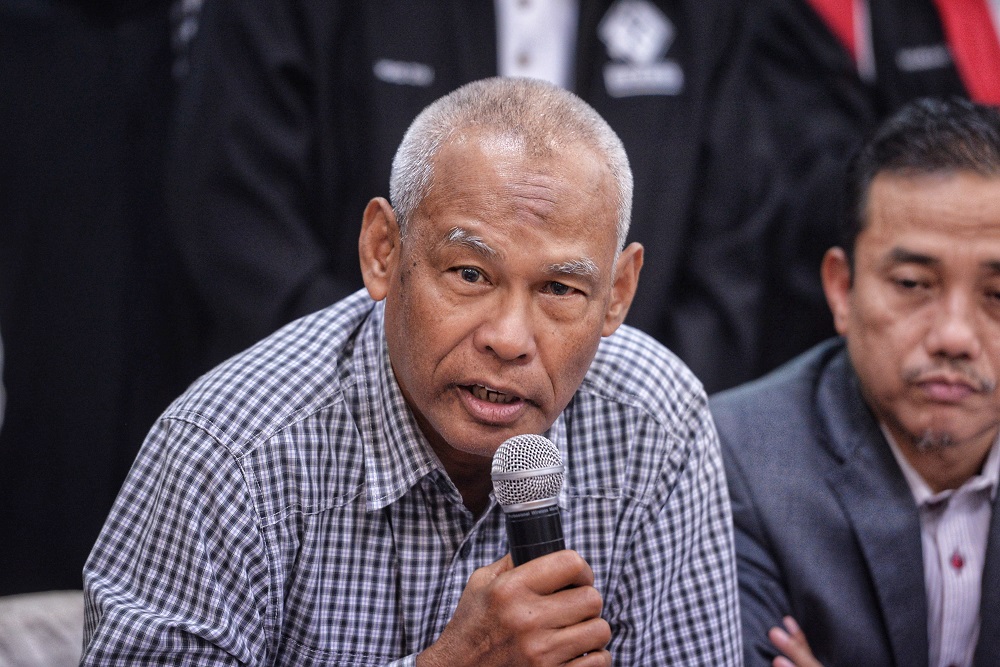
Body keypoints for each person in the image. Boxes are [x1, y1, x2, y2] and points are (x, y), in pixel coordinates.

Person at [83, 77, 742, 665]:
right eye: (469, 274)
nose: (509, 338)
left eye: (560, 290)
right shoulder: (229, 449)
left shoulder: (657, 423)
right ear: (382, 250)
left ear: (619, 294)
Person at [166, 0, 771, 395]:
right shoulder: (223, 450)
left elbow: (733, 246)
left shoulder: (711, 16)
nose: (509, 337)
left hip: (611, 429)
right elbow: (236, 212)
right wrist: (382, 385)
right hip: (339, 416)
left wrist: (613, 400)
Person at [711, 97, 1000, 667]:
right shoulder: (735, 458)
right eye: (914, 283)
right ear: (841, 290)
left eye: (999, 295)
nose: (954, 336)